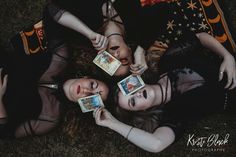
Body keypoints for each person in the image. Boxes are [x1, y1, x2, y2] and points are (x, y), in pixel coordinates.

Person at [93, 32, 236, 153]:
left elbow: (200, 37)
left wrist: (227, 56)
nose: (136, 94)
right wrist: (112, 123)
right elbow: (156, 144)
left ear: (136, 82)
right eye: (133, 101)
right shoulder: (173, 114)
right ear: (143, 110)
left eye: (131, 90)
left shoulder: (167, 62)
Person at [0, 45, 109, 138]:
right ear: (87, 77)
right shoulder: (60, 56)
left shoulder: (50, 118)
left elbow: (4, 132)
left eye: (93, 98)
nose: (86, 91)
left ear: (87, 106)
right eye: (92, 85)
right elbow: (52, 21)